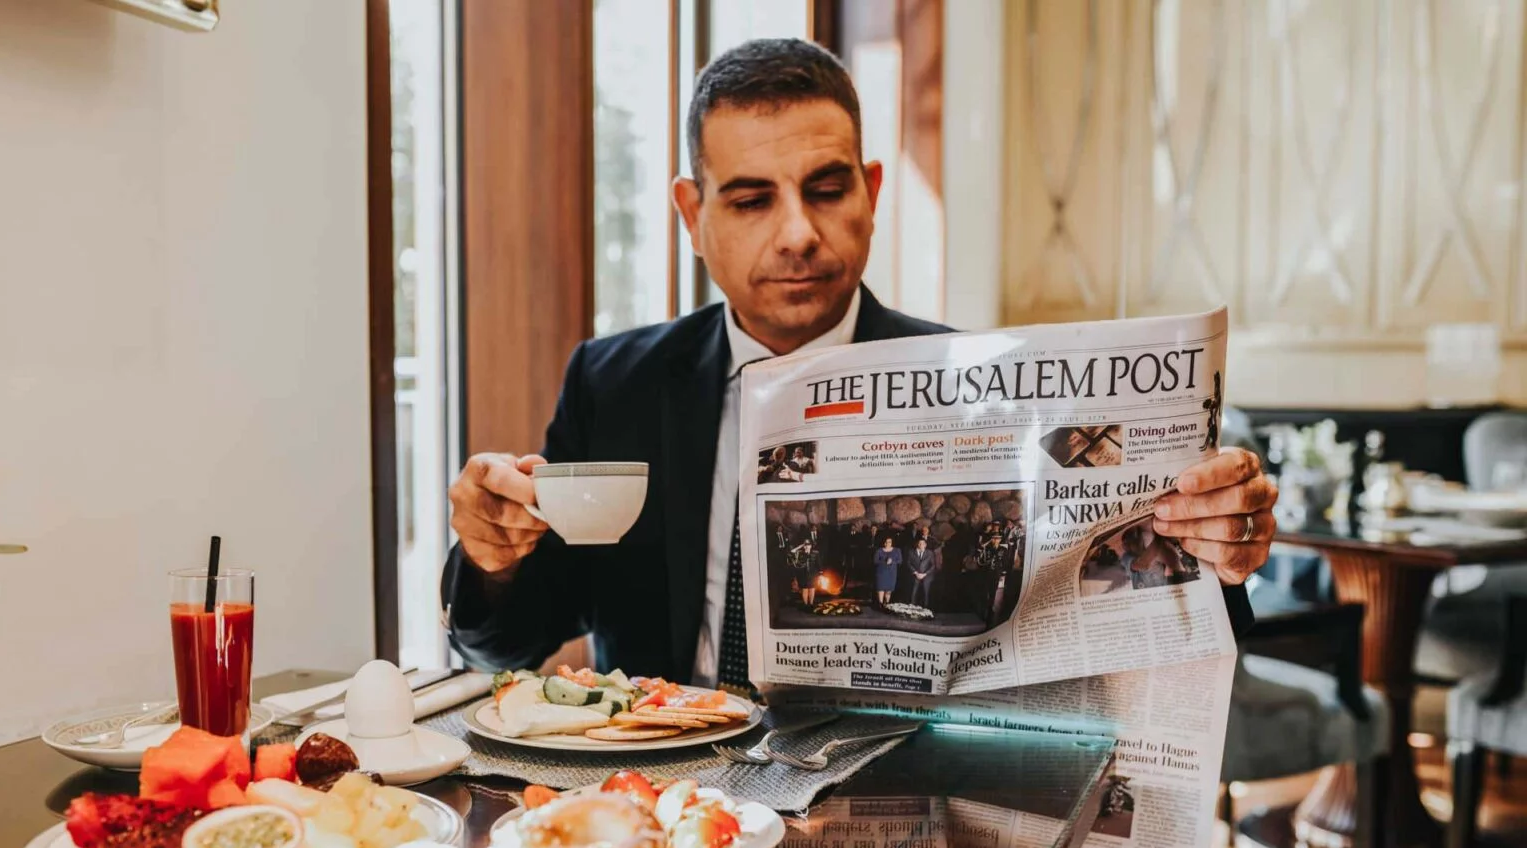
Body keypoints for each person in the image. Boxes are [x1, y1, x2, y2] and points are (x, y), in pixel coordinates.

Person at [442, 38, 1275, 687]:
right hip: (669, 803)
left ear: (872, 193)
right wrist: (489, 558)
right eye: (752, 199)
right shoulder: (610, 384)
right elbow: (503, 646)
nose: (799, 232)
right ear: (693, 217)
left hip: (897, 818)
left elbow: (1137, 642)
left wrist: (1216, 552)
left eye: (827, 189)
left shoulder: (972, 386)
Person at [789, 536, 821, 609]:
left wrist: (820, 573)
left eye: (808, 545)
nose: (807, 546)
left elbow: (818, 564)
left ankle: (811, 604)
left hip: (812, 574)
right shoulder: (800, 553)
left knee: (812, 588)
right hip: (803, 573)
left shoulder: (815, 553)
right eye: (805, 545)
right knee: (805, 589)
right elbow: (791, 552)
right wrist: (800, 546)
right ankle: (805, 605)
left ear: (811, 546)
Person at [905, 537, 936, 608]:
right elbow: (908, 563)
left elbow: (933, 566)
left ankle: (926, 609)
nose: (921, 545)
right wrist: (915, 573)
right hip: (915, 575)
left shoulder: (930, 553)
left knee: (926, 593)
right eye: (919, 544)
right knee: (913, 592)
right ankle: (912, 608)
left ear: (925, 545)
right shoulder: (911, 552)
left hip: (926, 576)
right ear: (917, 544)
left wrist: (925, 574)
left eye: (922, 544)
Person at [874, 536, 902, 608]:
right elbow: (875, 561)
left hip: (891, 572)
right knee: (881, 588)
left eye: (890, 542)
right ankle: (880, 604)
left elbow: (900, 561)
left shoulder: (897, 550)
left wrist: (892, 561)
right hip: (881, 572)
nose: (888, 543)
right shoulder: (879, 550)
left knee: (889, 589)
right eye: (887, 542)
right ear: (884, 543)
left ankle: (887, 604)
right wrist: (884, 561)